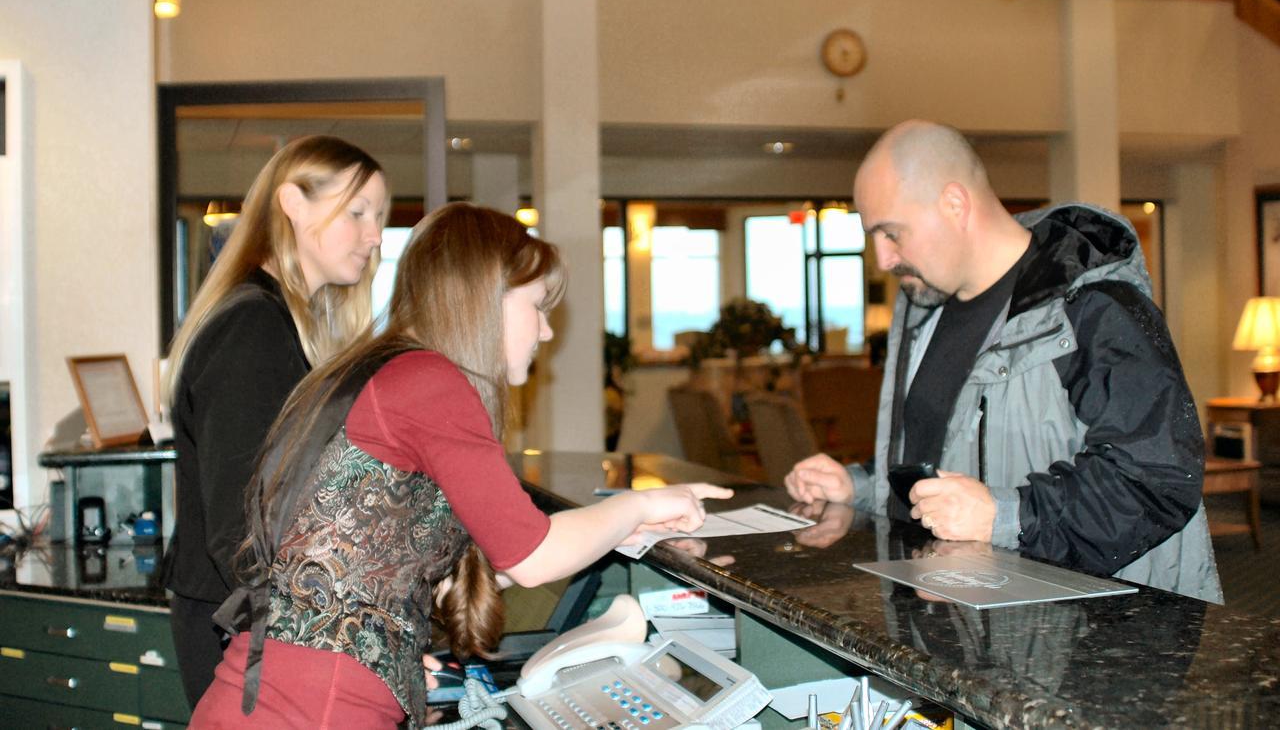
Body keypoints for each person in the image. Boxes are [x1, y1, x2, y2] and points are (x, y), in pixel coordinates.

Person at [190, 203, 733, 729]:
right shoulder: (429, 382)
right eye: (537, 306)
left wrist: (391, 662)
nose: (545, 332)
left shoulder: (384, 370)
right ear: (485, 299)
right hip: (317, 704)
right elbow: (532, 554)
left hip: (275, 689)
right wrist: (638, 501)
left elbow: (377, 554)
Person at [785, 120, 1222, 603]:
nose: (883, 259)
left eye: (891, 233)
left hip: (1088, 642)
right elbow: (942, 463)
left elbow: (1156, 478)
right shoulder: (924, 313)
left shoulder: (1094, 305)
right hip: (958, 629)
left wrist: (1005, 517)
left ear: (954, 204)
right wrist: (859, 485)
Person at [162, 135, 389, 706]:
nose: (375, 235)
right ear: (292, 202)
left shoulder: (281, 322)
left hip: (252, 622)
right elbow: (237, 528)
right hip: (241, 628)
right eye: (357, 212)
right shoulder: (253, 330)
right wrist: (320, 638)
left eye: (379, 217)